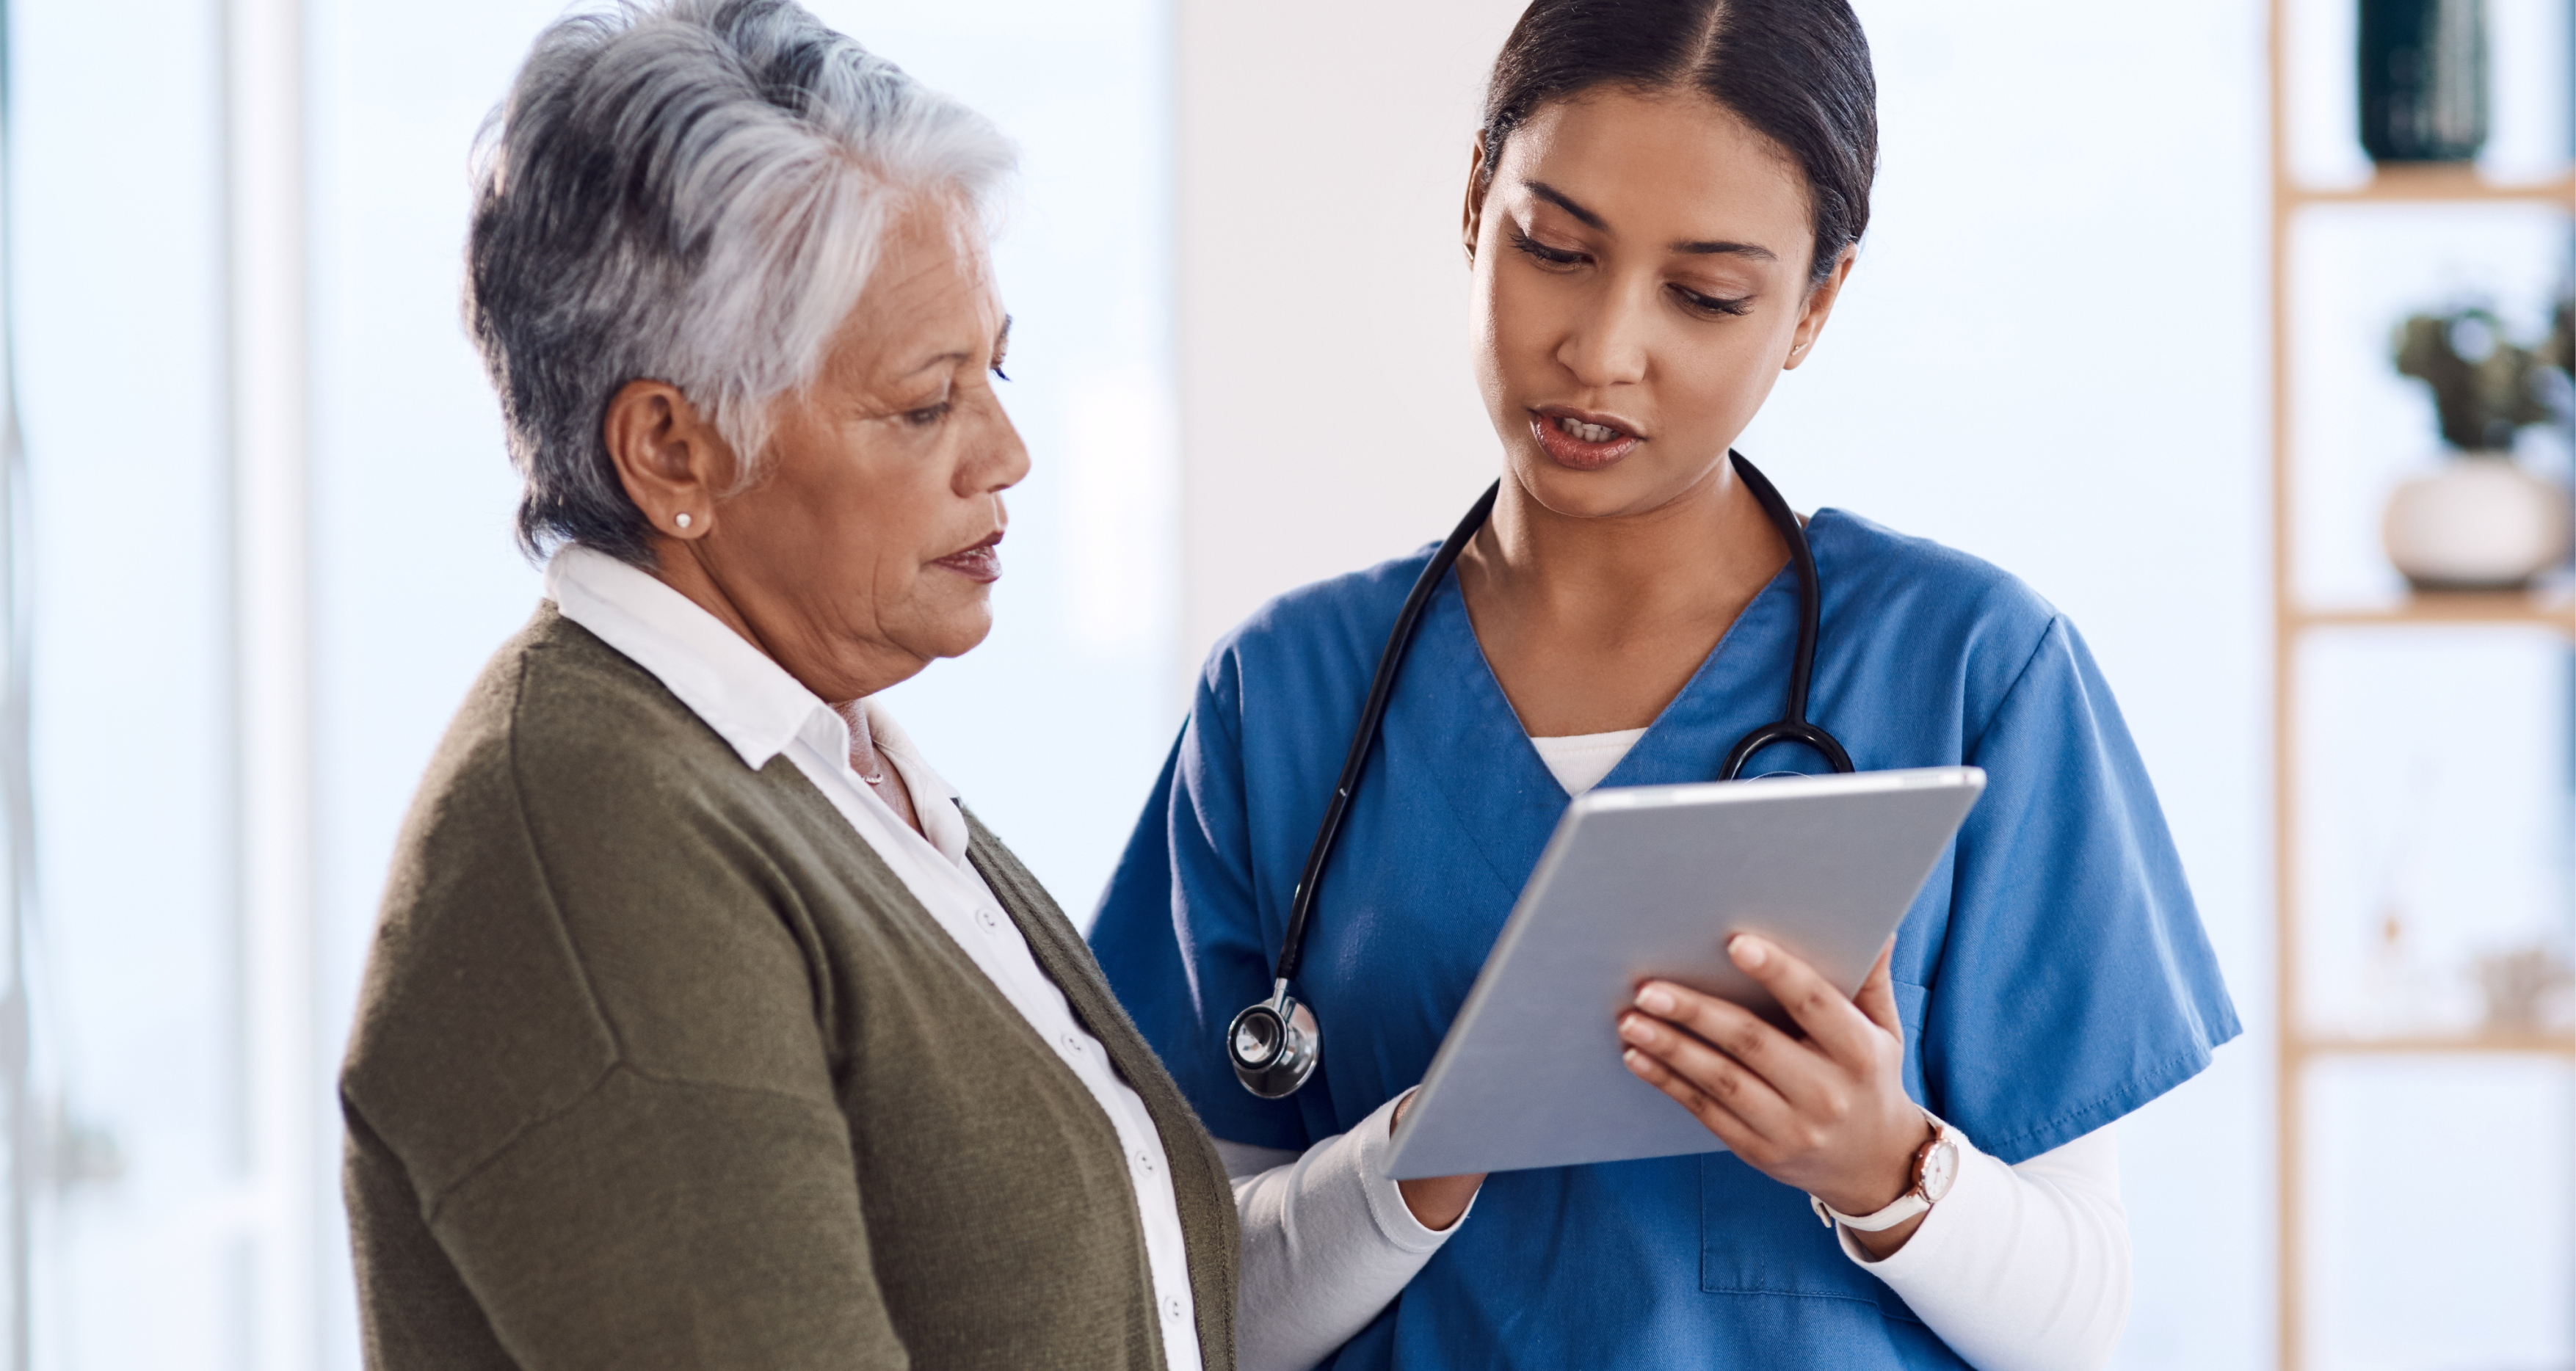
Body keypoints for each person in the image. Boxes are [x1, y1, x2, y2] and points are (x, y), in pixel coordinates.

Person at [1087, 2, 2238, 1369]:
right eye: (1556, 249)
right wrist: (1413, 1163)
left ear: (1814, 306)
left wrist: (1883, 1165)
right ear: (1476, 200)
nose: (1603, 349)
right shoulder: (1281, 698)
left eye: (1704, 295)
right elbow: (1177, 1309)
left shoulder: (1973, 668)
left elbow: (2080, 1321)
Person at [337, 4, 1236, 1367]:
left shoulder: (824, 767)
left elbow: (1128, 1309)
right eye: (926, 404)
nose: (1008, 452)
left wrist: (1427, 1162)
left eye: (996, 368)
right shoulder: (593, 838)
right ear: (674, 451)